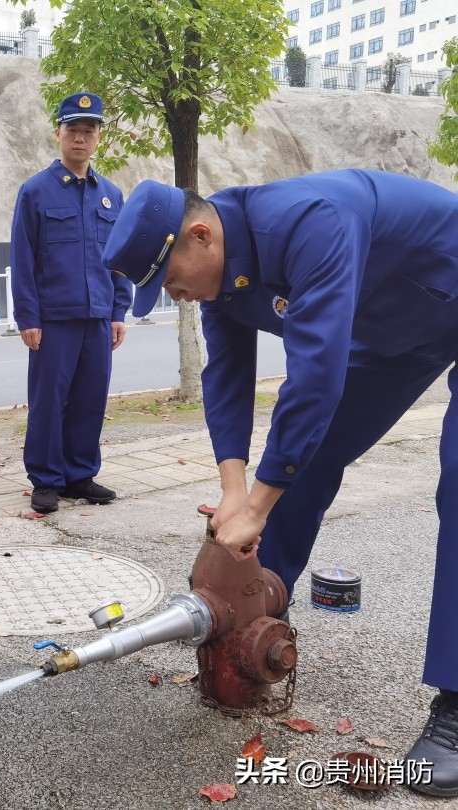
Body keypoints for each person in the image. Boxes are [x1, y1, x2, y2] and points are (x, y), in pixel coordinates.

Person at [101, 170, 458, 797]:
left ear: (201, 236)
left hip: (445, 293)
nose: (176, 296)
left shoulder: (310, 220)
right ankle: (259, 609)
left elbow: (315, 378)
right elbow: (227, 377)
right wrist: (236, 491)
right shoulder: (221, 273)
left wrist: (260, 504)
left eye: (171, 281)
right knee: (307, 459)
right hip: (394, 331)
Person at [10, 92, 132, 515]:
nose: (80, 138)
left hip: (98, 317)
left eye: (89, 130)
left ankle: (79, 474)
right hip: (53, 318)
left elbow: (121, 260)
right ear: (57, 133)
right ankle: (46, 479)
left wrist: (119, 311)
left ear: (100, 137)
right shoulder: (35, 192)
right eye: (72, 130)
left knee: (90, 399)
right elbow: (22, 259)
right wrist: (28, 316)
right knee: (48, 400)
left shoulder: (111, 196)